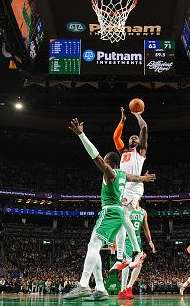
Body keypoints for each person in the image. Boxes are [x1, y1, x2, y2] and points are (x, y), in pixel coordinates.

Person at [63, 118, 155, 301]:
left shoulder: (111, 173)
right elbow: (134, 177)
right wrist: (143, 179)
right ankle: (100, 288)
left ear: (108, 163)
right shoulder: (123, 174)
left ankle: (83, 285)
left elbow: (94, 155)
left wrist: (81, 135)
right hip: (117, 213)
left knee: (94, 246)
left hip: (110, 211)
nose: (102, 162)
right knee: (93, 247)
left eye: (105, 161)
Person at [111, 108, 149, 272]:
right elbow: (116, 137)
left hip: (134, 187)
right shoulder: (123, 151)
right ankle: (122, 257)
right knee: (121, 218)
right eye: (131, 137)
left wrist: (137, 114)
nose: (134, 138)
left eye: (136, 137)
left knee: (121, 215)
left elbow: (144, 128)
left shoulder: (140, 151)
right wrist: (122, 122)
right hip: (124, 186)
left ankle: (131, 253)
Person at [118, 203, 155, 300]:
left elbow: (146, 228)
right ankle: (122, 290)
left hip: (137, 239)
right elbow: (119, 223)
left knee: (139, 264)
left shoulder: (143, 212)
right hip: (127, 238)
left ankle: (129, 287)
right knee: (127, 261)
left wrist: (150, 240)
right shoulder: (125, 208)